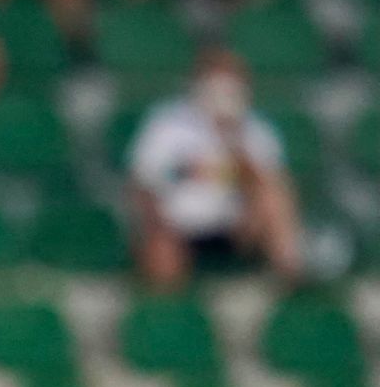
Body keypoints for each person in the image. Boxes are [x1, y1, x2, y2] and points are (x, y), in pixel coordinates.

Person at [127, 48, 302, 289]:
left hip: (234, 228)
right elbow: (142, 182)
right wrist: (157, 224)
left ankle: (290, 282)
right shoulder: (166, 124)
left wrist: (233, 138)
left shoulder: (256, 130)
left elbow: (266, 183)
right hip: (179, 228)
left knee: (275, 196)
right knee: (159, 245)